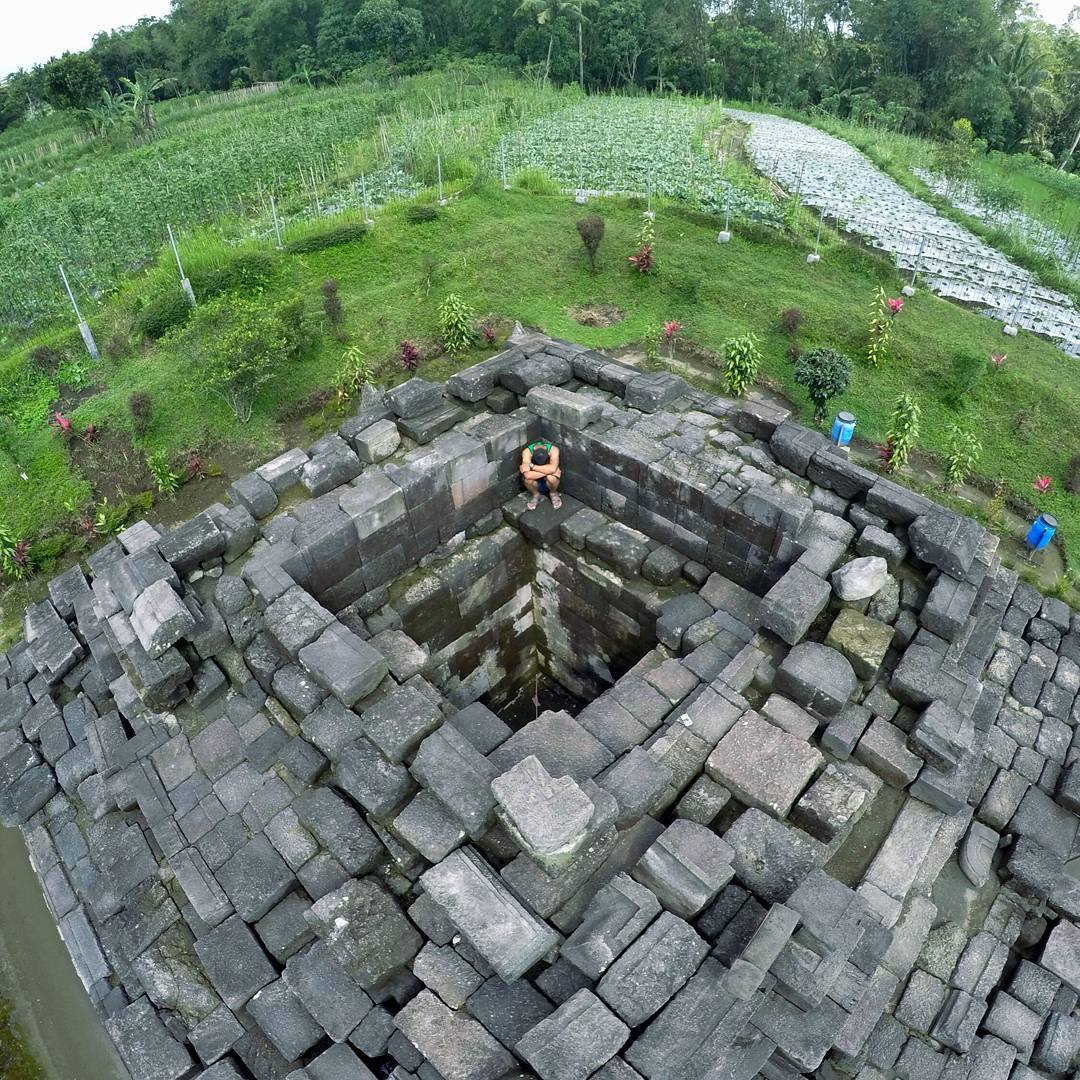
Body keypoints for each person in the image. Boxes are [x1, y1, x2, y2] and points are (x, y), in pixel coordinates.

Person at [520, 439, 562, 510]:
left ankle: (553, 493)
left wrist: (533, 466)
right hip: (535, 482)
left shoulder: (553, 450)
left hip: (548, 482)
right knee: (527, 479)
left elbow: (553, 468)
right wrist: (549, 471)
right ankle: (535, 494)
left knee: (552, 477)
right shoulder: (527, 452)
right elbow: (527, 475)